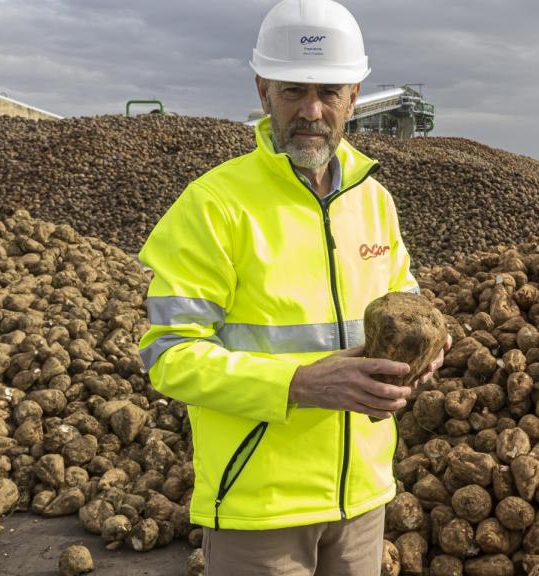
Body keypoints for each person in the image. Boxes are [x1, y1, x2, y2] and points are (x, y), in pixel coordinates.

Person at [137, 0, 448, 573]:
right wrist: (299, 383)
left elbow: (408, 306)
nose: (311, 111)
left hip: (362, 498)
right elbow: (168, 355)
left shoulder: (375, 201)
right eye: (292, 91)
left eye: (328, 92)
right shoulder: (215, 205)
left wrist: (428, 353)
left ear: (353, 96)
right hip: (262, 509)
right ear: (262, 91)